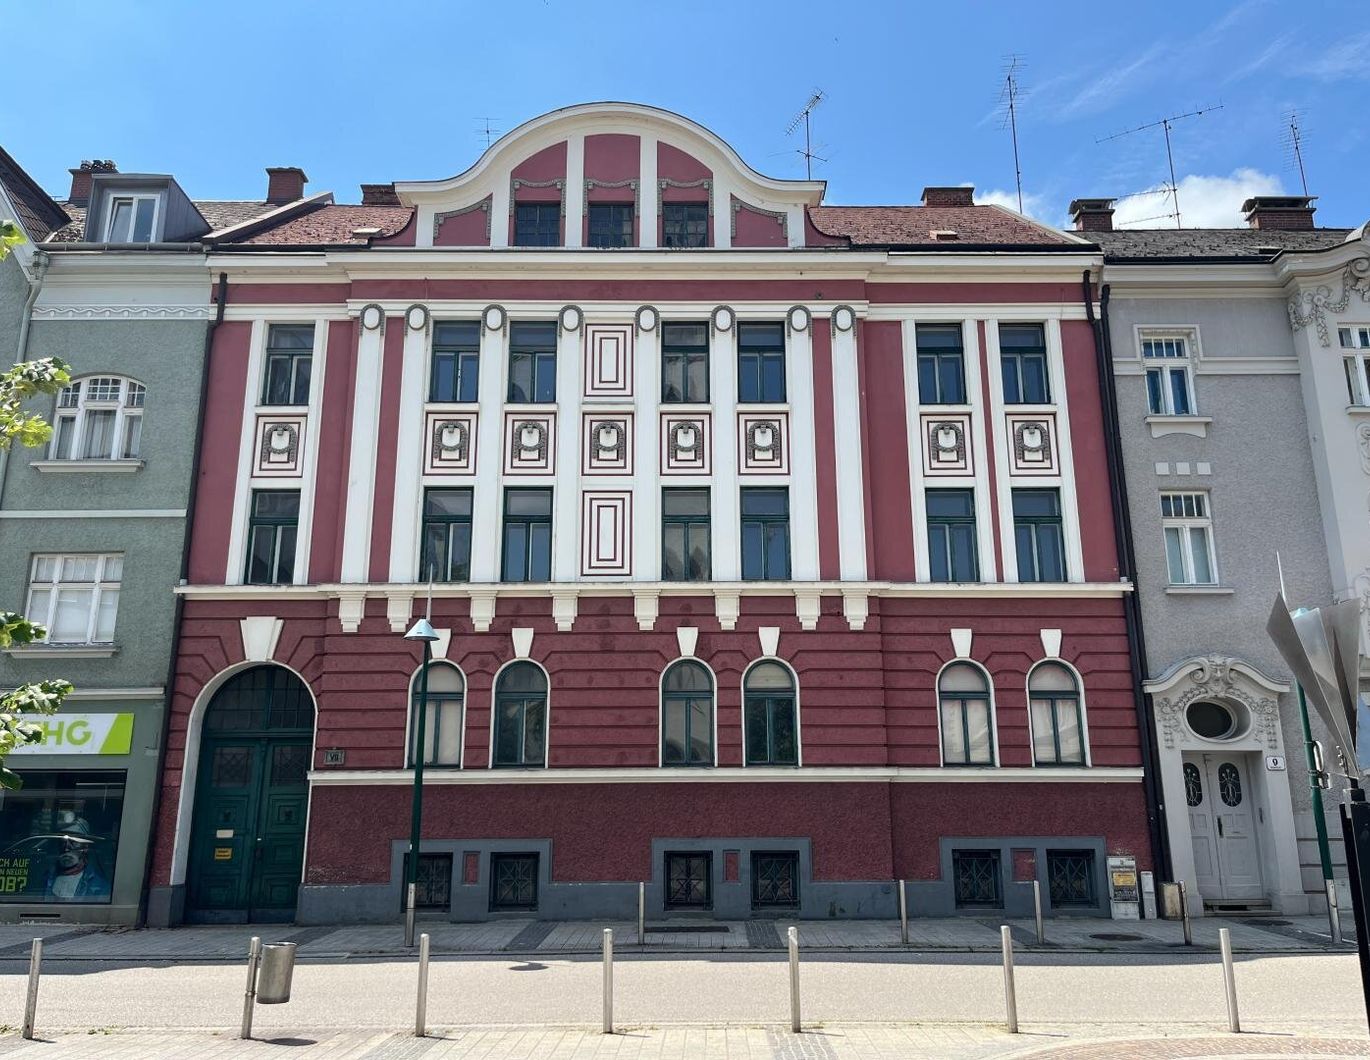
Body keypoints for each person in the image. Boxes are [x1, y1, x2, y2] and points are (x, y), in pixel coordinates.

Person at [44, 812, 110, 901]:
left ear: (85, 847)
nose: (66, 848)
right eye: (63, 842)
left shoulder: (98, 887)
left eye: (73, 842)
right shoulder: (46, 878)